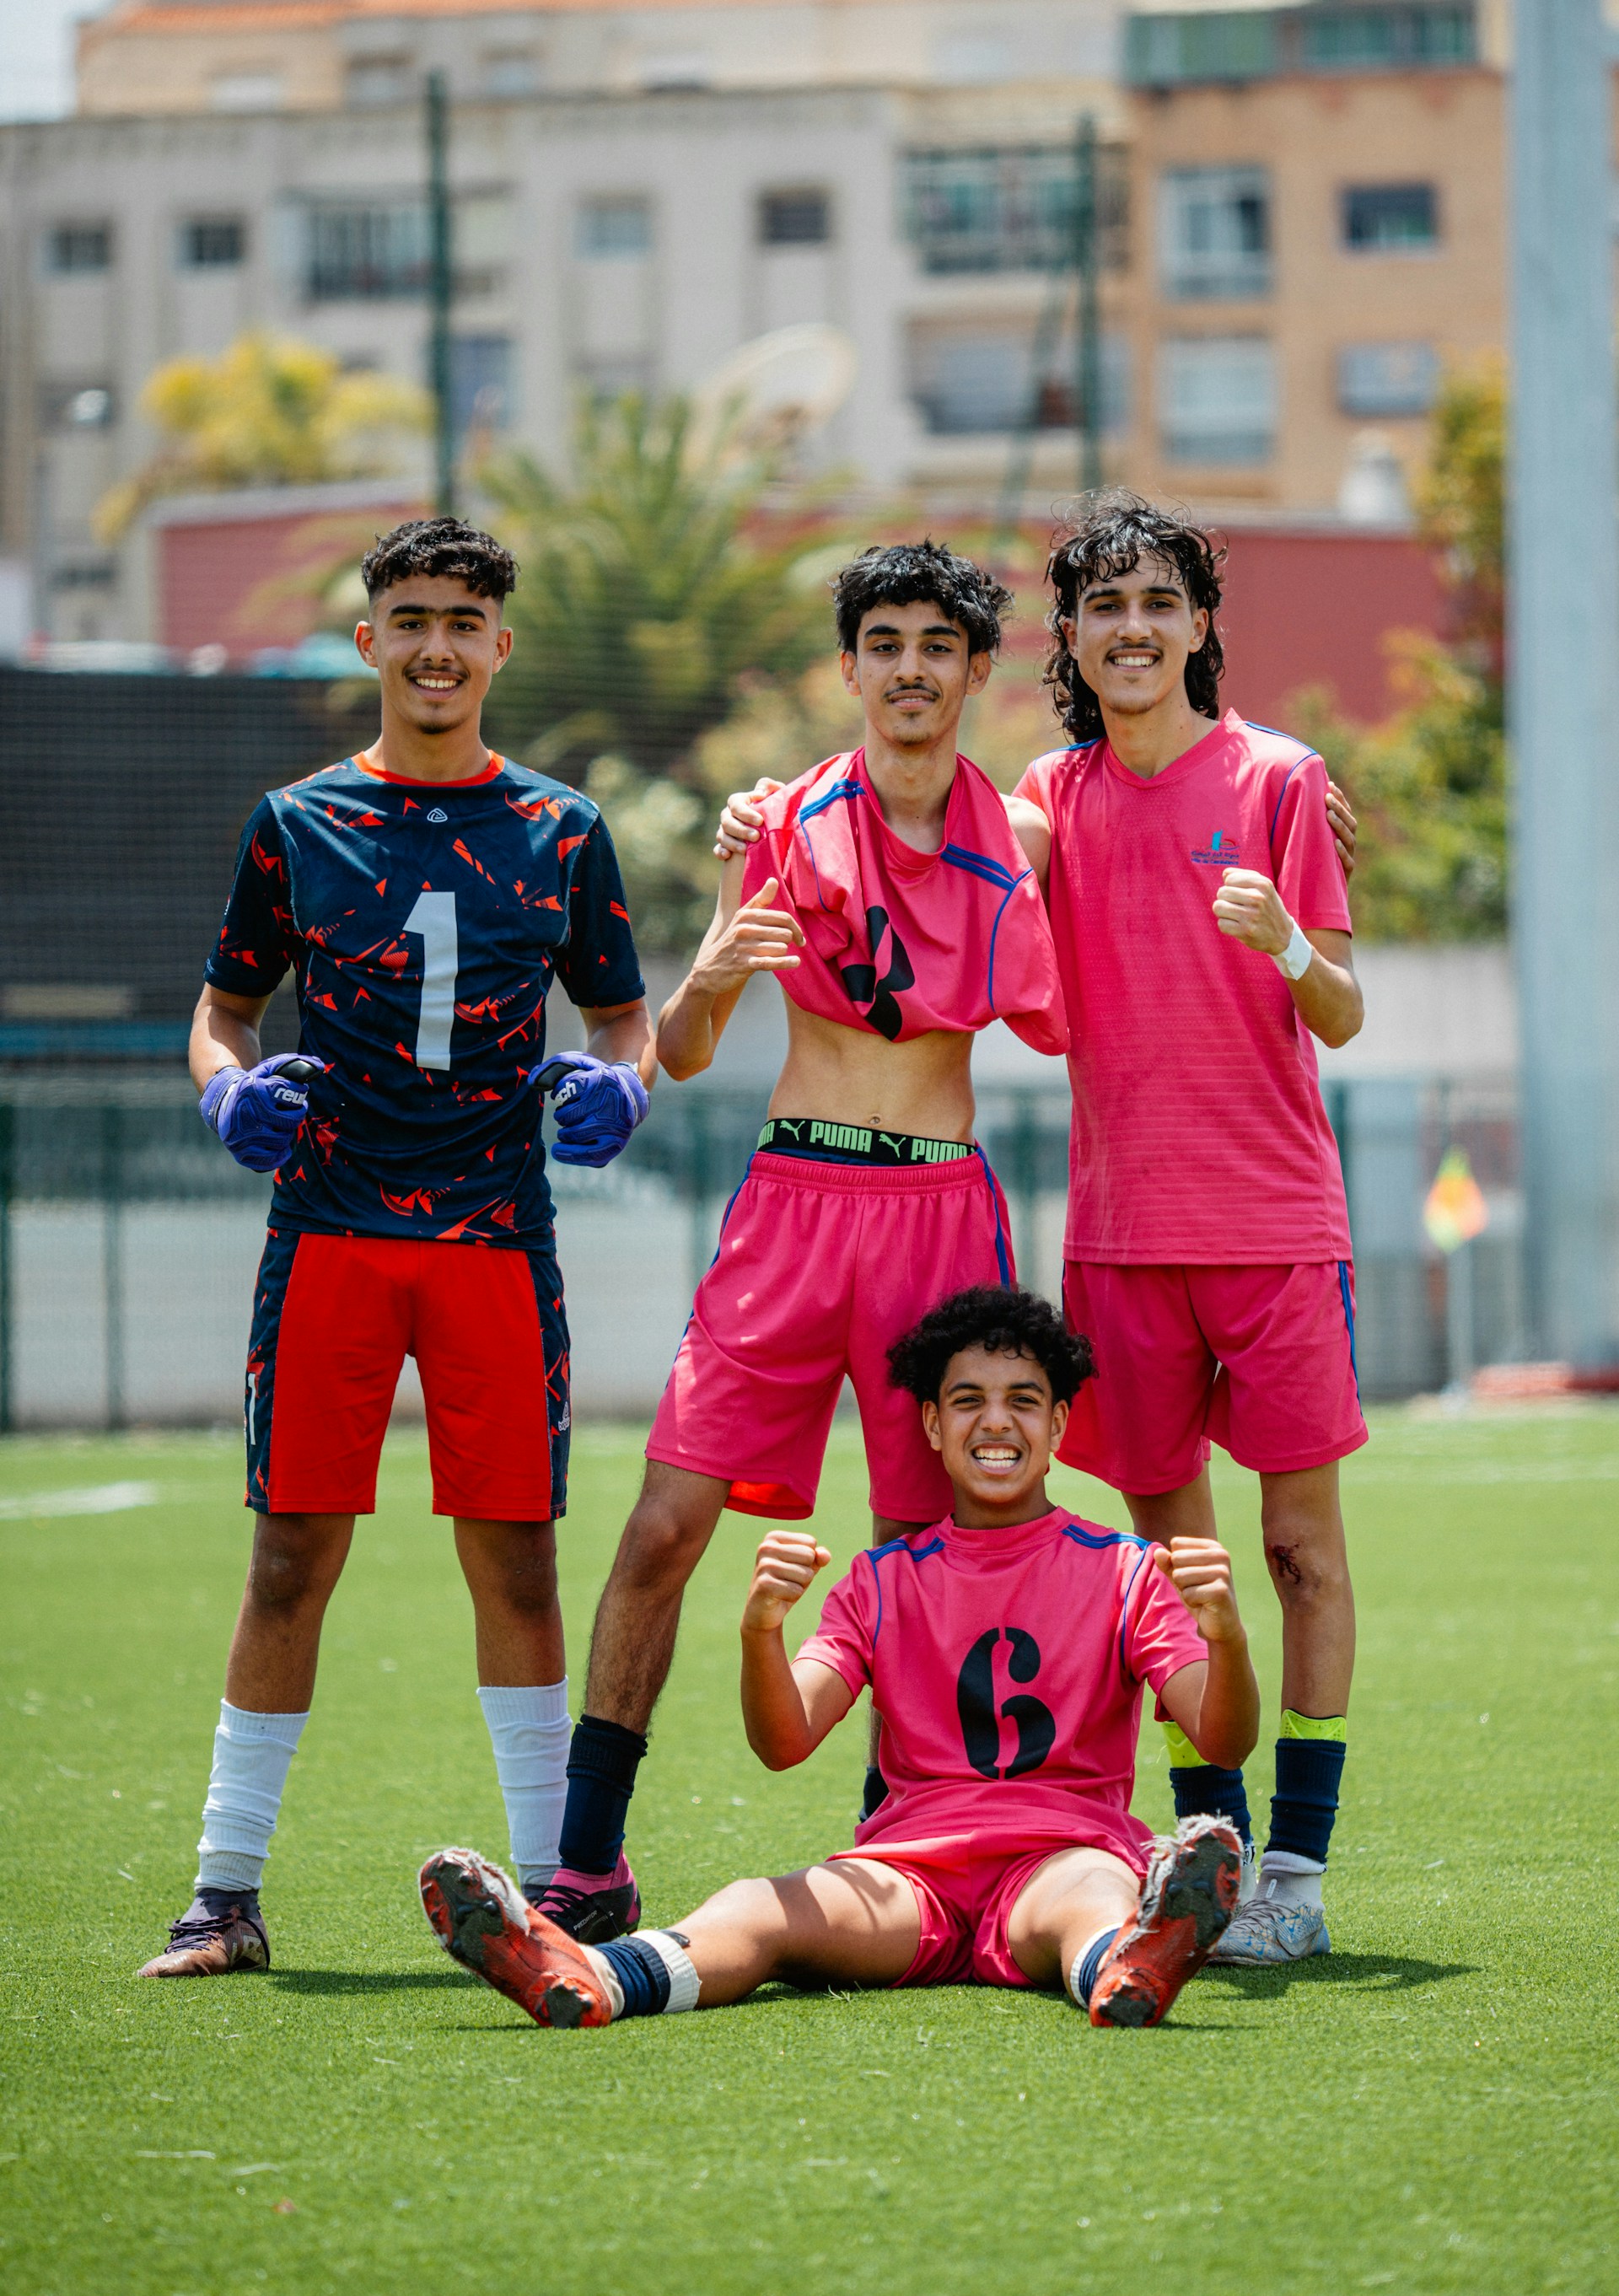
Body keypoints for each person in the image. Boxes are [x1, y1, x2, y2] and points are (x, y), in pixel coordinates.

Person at [138, 517, 654, 1979]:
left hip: (497, 1236)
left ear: (500, 645)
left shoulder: (560, 829)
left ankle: (561, 1893)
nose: (437, 645)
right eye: (411, 617)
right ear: (370, 638)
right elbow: (222, 1007)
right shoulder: (293, 821)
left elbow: (625, 1014)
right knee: (291, 1557)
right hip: (331, 1234)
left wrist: (625, 1081)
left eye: (464, 622)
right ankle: (223, 1895)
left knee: (519, 1563)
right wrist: (225, 1086)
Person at [534, 541, 1068, 1944]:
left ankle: (911, 1853)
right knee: (665, 1526)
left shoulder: (1016, 837)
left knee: (921, 1541)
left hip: (941, 1213)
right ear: (852, 666)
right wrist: (712, 964)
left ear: (970, 668)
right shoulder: (781, 824)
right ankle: (585, 1858)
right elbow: (690, 1048)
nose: (908, 668)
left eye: (935, 645)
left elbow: (1083, 987)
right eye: (882, 642)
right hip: (793, 1202)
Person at [419, 1285, 1256, 2031]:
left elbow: (1221, 1736)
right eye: (966, 1399)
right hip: (906, 1877)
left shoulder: (1124, 1568)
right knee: (759, 1908)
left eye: (1024, 1400)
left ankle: (1130, 1960)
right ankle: (586, 1971)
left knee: (1091, 1901)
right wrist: (763, 1629)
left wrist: (1225, 1635)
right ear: (931, 1422)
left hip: (1063, 1854)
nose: (995, 1420)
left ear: (1059, 1423)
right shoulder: (881, 1580)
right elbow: (784, 1740)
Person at [1009, 492, 1365, 1965]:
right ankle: (1205, 1847)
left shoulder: (1282, 778)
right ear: (1074, 638)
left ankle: (1298, 1866)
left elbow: (1341, 1008)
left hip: (1276, 1223)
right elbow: (924, 833)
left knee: (1297, 1551)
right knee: (1173, 1567)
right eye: (1105, 606)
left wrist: (1287, 938)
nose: (1134, 628)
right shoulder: (1045, 795)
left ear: (1202, 622)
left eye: (1160, 600)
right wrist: (758, 822)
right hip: (1121, 1234)